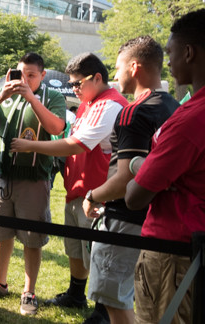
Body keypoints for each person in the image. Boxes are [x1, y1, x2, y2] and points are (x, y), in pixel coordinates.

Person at [10, 53, 128, 323]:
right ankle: (76, 295)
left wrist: (31, 146)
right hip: (78, 190)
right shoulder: (89, 103)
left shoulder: (110, 105)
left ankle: (102, 311)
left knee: (97, 253)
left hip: (97, 195)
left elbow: (76, 144)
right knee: (75, 249)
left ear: (97, 78)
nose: (75, 89)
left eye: (78, 84)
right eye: (72, 84)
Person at [81, 36, 179, 324]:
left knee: (115, 303)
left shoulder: (134, 112)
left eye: (118, 67)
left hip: (124, 220)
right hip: (156, 222)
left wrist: (92, 196)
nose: (115, 76)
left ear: (134, 67)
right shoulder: (174, 107)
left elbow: (125, 178)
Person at [125, 9, 205, 324]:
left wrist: (138, 168)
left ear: (189, 52)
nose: (167, 62)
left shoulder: (191, 118)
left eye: (170, 52)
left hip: (174, 255)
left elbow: (135, 196)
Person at [0, 52, 66, 316]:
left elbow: (57, 127)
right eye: (20, 74)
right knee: (1, 234)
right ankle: (0, 282)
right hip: (3, 176)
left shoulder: (53, 97)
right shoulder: (5, 96)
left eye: (31, 75)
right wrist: (3, 95)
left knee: (31, 238)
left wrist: (30, 97)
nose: (24, 80)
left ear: (43, 75)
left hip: (34, 178)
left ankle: (29, 291)